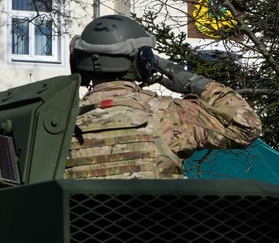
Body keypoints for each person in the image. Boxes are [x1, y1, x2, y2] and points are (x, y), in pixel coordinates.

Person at [65, 14, 262, 179]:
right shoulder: (167, 114)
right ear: (142, 61)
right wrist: (189, 80)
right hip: (159, 223)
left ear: (78, 61)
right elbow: (246, 128)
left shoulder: (60, 122)